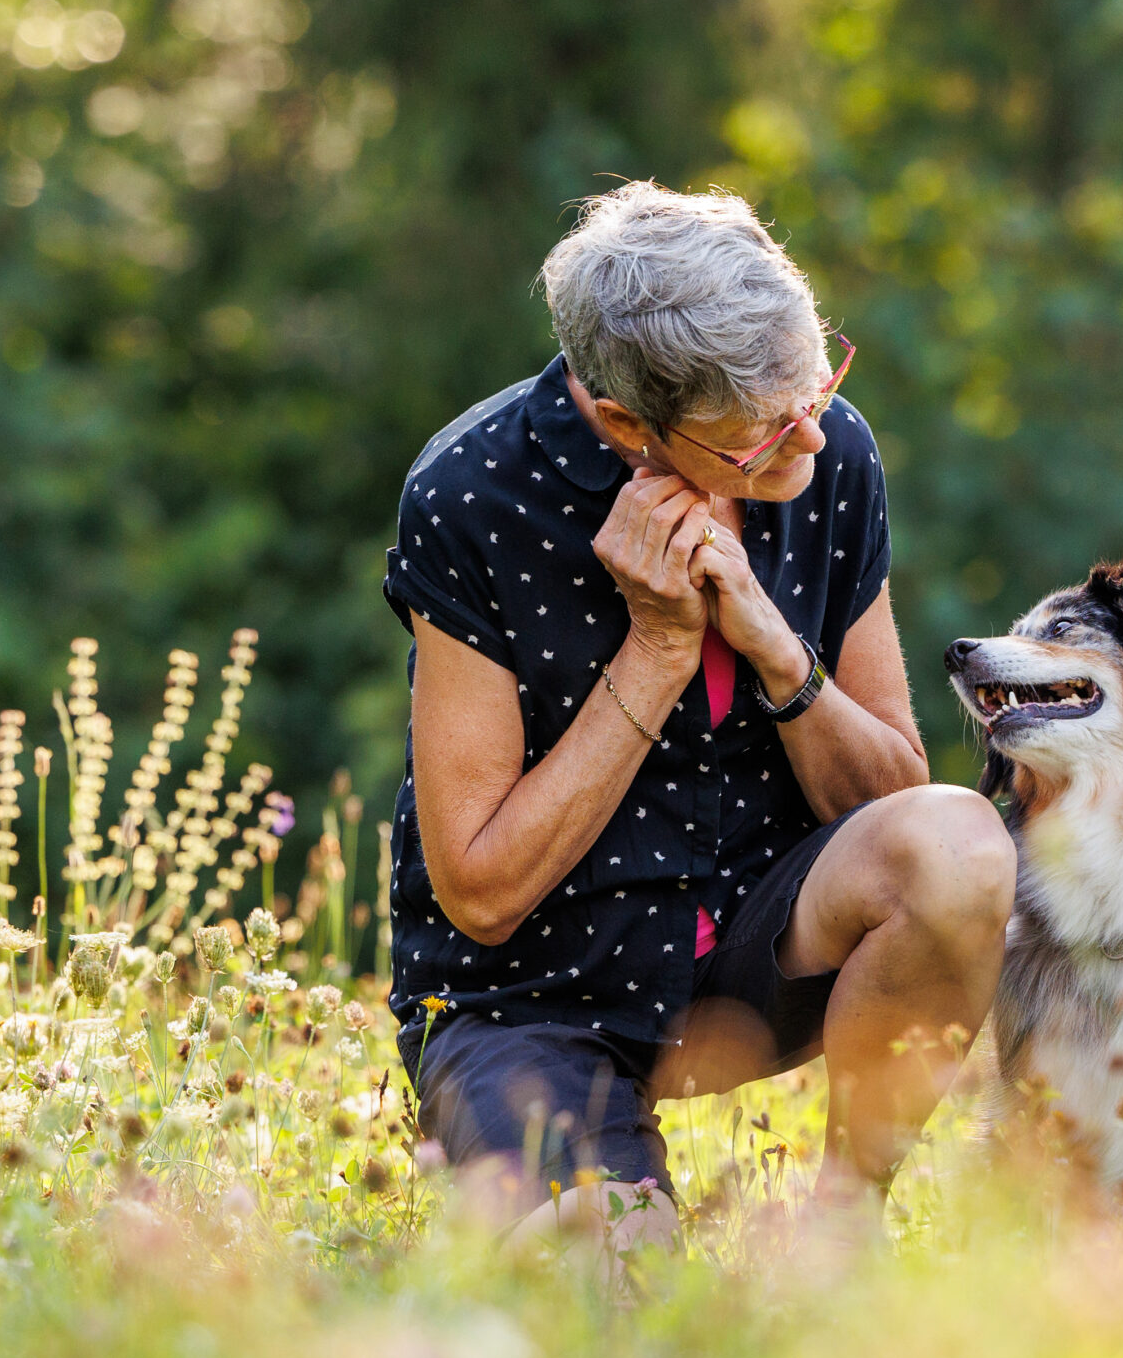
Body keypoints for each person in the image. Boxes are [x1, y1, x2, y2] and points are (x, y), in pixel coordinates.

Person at [382, 180, 1016, 1250]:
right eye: (762, 437)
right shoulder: (474, 495)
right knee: (607, 1275)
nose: (809, 446)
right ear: (628, 419)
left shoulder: (828, 450)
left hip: (770, 943)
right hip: (538, 990)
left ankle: (841, 1230)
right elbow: (480, 894)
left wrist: (774, 646)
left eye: (817, 395)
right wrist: (661, 647)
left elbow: (892, 807)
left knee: (958, 842)